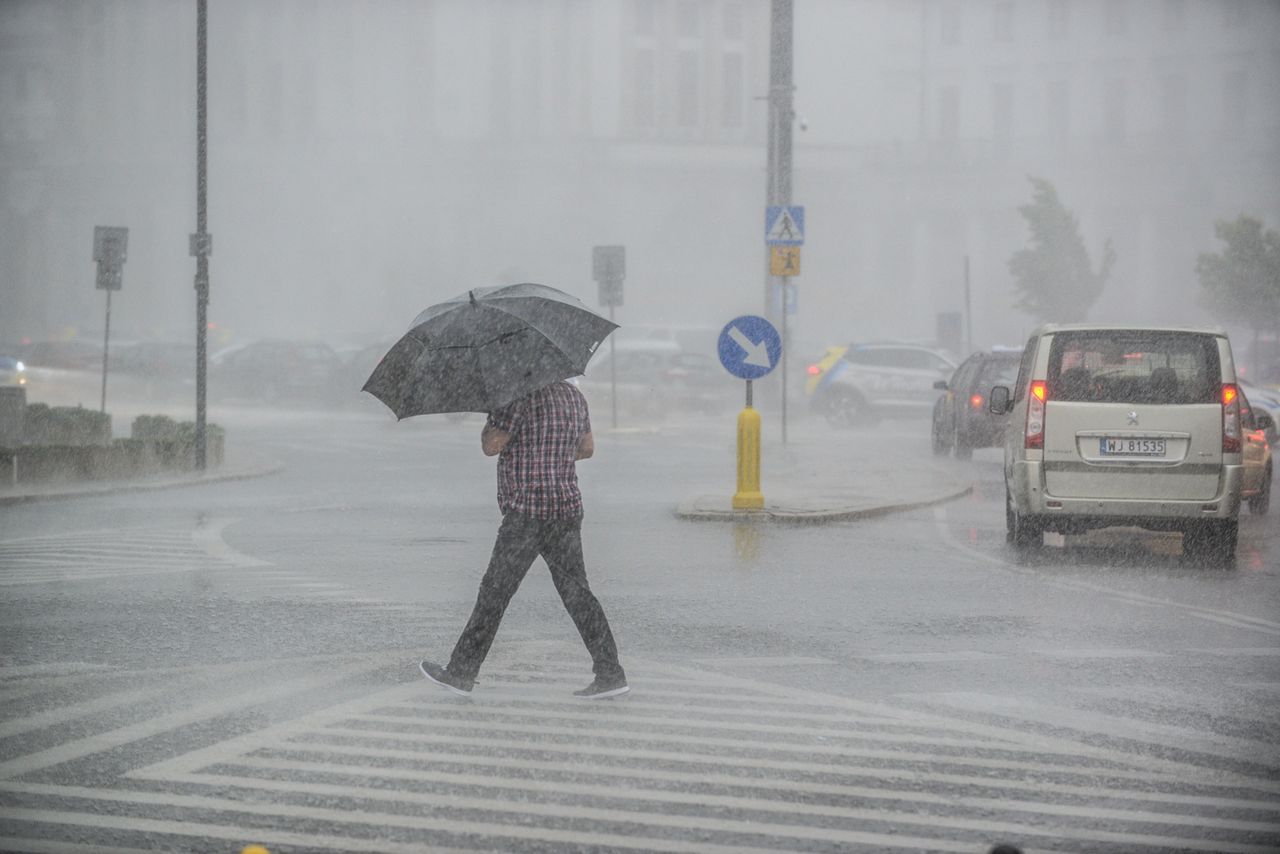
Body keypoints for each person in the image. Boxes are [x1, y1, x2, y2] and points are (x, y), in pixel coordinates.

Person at [419, 379, 628, 700]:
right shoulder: (574, 396)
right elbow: (587, 449)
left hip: (527, 513)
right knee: (578, 594)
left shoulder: (516, 396)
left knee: (494, 594)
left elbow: (492, 446)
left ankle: (461, 671)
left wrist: (492, 419)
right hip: (565, 507)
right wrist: (553, 455)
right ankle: (611, 673)